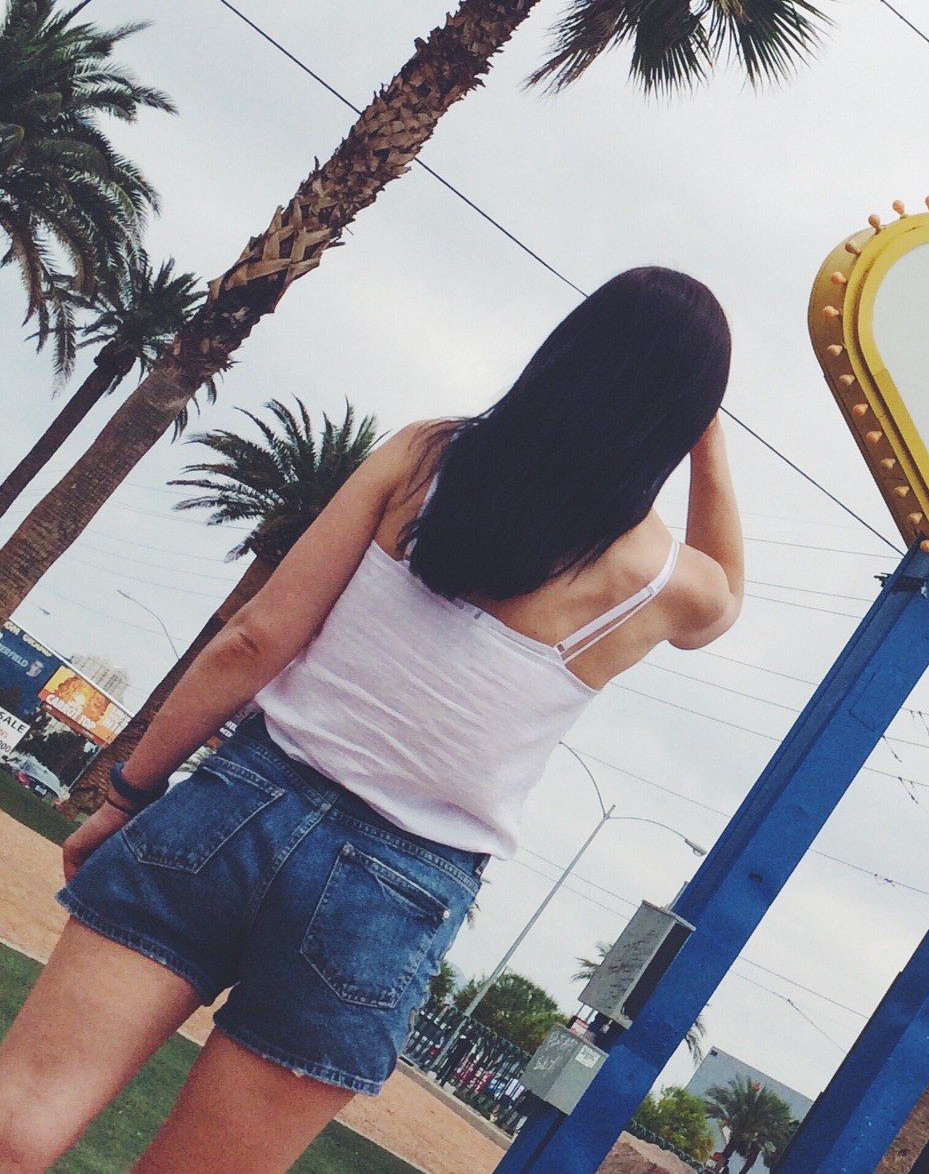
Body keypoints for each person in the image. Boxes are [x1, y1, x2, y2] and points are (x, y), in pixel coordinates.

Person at [0, 267, 743, 1173]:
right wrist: (703, 424)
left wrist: (125, 791)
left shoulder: (430, 455)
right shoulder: (662, 583)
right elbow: (728, 590)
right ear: (682, 410)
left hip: (239, 803)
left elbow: (255, 639)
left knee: (21, 1110)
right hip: (393, 892)